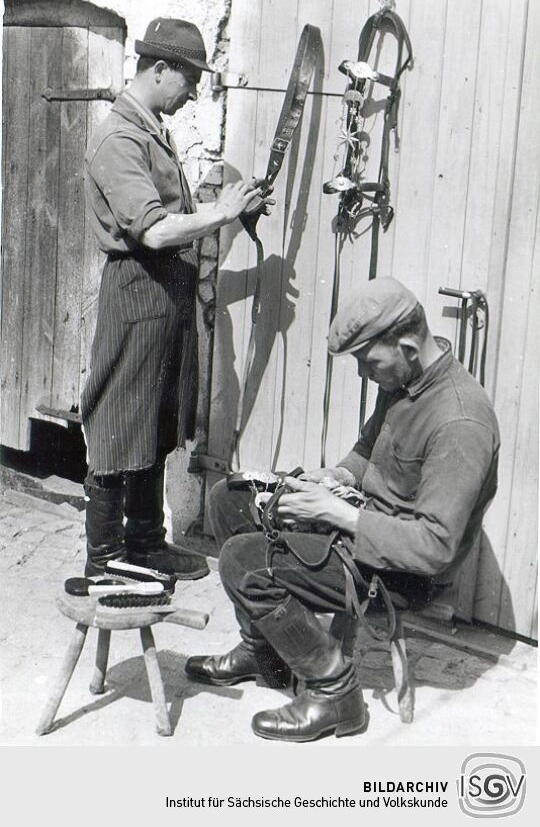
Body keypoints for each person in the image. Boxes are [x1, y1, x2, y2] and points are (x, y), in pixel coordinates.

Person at [185, 276, 500, 741]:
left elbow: (434, 548)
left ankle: (336, 692)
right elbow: (367, 450)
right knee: (230, 497)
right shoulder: (404, 377)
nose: (361, 373)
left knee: (244, 562)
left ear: (409, 345)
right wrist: (333, 479)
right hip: (367, 528)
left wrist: (336, 514)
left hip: (407, 573)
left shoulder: (459, 420)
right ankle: (264, 652)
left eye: (365, 361)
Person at [81, 18, 266, 579]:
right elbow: (155, 231)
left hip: (165, 295)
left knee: (157, 423)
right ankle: (104, 560)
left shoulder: (151, 129)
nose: (192, 94)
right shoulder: (119, 138)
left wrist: (234, 207)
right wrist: (220, 213)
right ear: (159, 69)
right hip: (138, 291)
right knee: (118, 421)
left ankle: (144, 543)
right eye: (189, 80)